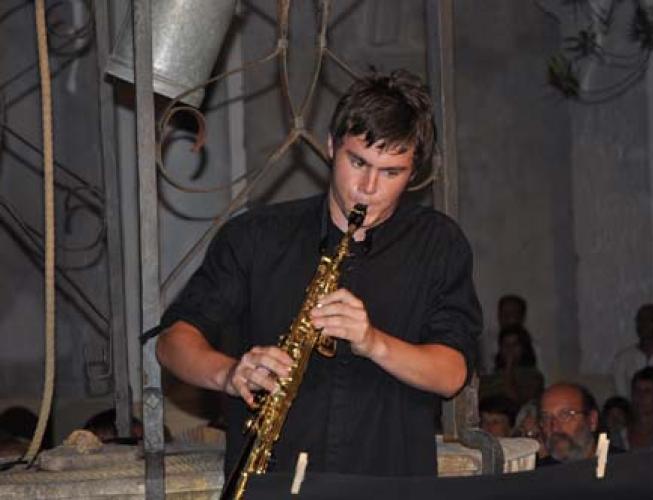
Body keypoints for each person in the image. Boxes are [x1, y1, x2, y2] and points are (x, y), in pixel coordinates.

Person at [156, 69, 482, 478]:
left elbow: (452, 374)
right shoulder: (256, 236)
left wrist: (373, 342)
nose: (368, 187)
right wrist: (228, 373)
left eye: (391, 172)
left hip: (390, 482)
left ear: (413, 173)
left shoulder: (438, 244)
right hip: (272, 482)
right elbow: (172, 341)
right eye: (357, 161)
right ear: (330, 146)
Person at [537, 383, 604, 465]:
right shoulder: (540, 470)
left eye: (565, 415)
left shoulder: (616, 464)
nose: (554, 428)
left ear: (592, 420)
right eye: (546, 418)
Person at [479, 325, 544, 407]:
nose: (510, 348)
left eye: (515, 344)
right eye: (506, 344)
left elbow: (516, 401)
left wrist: (509, 367)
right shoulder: (491, 377)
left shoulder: (533, 377)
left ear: (524, 348)